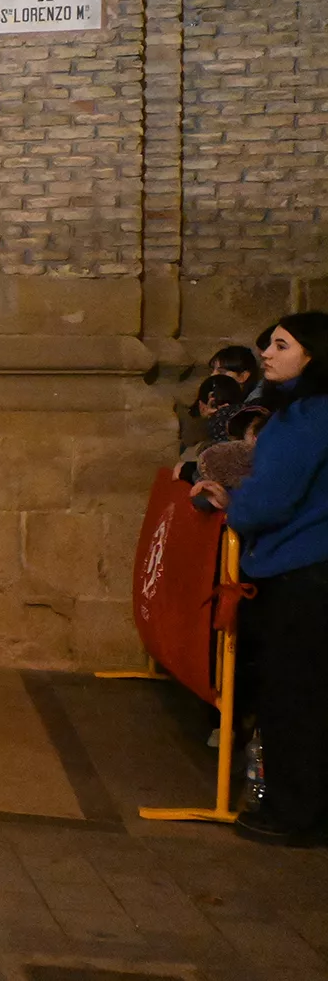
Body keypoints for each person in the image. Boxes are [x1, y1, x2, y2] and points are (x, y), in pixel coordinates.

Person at [192, 313, 328, 845]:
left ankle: (295, 814)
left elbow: (273, 496)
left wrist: (236, 507)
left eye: (280, 345)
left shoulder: (306, 418)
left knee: (294, 698)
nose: (266, 354)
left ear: (314, 355)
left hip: (301, 573)